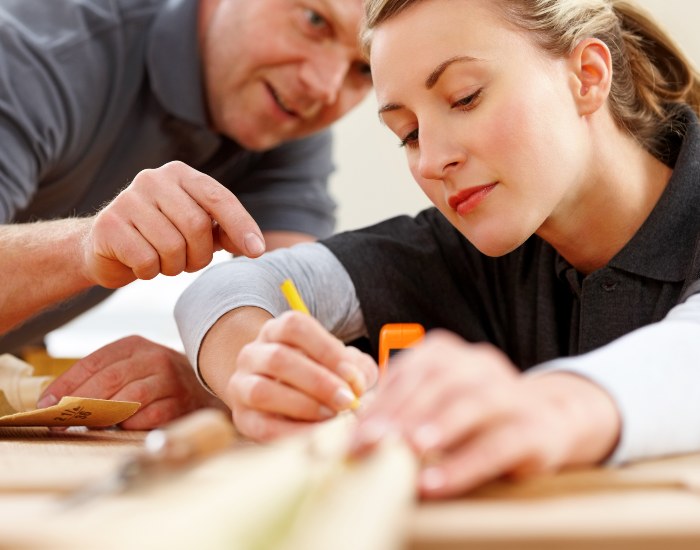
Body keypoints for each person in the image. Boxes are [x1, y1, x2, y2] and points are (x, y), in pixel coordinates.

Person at [175, 0, 700, 499]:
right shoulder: (476, 249)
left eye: (465, 97)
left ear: (586, 75)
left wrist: (550, 407)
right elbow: (227, 288)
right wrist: (259, 369)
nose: (431, 161)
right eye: (408, 133)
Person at [0, 0, 372, 427]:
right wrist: (84, 248)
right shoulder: (36, 55)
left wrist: (214, 381)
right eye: (314, 21)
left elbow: (293, 314)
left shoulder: (286, 118)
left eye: (363, 69)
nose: (323, 87)